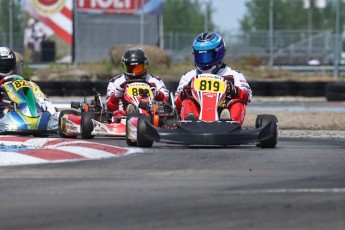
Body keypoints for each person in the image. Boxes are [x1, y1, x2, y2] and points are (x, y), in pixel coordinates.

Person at [174, 32, 252, 124]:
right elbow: (176, 104)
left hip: (224, 109)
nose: (204, 61)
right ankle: (190, 122)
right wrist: (183, 94)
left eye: (207, 56)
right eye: (200, 56)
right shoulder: (189, 76)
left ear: (219, 53)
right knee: (187, 102)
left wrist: (234, 90)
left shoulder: (233, 75)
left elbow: (247, 97)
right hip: (198, 116)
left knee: (237, 103)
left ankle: (229, 122)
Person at [106, 47, 169, 122]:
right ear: (124, 67)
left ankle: (140, 113)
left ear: (145, 66)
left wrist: (157, 94)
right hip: (123, 115)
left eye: (138, 68)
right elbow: (109, 107)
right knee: (118, 114)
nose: (134, 73)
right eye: (130, 68)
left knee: (160, 113)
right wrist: (115, 96)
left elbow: (166, 101)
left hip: (151, 110)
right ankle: (131, 112)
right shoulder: (115, 82)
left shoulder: (155, 80)